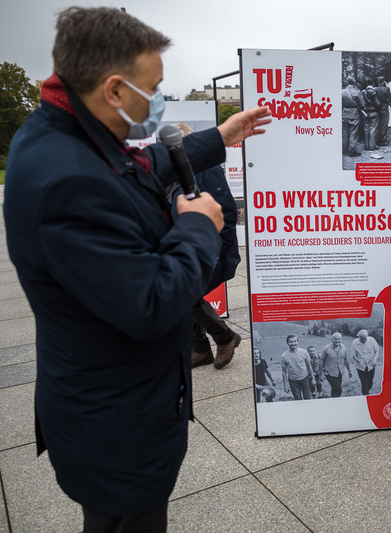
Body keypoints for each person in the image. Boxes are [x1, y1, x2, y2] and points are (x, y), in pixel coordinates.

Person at [2, 7, 271, 531]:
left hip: (117, 408)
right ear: (114, 90)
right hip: (115, 428)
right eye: (154, 88)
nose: (159, 100)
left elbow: (136, 168)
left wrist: (219, 136)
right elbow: (150, 304)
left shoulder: (67, 134)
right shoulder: (66, 182)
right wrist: (199, 227)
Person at [167, 124, 241, 370]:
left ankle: (224, 338)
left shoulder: (205, 169)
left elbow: (226, 213)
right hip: (183, 246)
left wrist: (211, 249)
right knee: (183, 296)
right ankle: (200, 349)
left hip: (207, 248)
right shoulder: (175, 172)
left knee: (184, 296)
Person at [280, 334, 316, 400]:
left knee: (308, 398)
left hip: (305, 379)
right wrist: (285, 385)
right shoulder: (284, 356)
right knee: (298, 399)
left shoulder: (304, 352)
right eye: (291, 342)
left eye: (295, 341)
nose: (293, 343)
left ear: (297, 342)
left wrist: (313, 378)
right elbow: (284, 372)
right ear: (287, 343)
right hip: (293, 381)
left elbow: (309, 366)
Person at [319, 332, 352, 398]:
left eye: (339, 339)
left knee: (335, 389)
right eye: (335, 339)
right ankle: (336, 401)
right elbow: (321, 360)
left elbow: (346, 359)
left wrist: (349, 370)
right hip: (329, 373)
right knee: (338, 388)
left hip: (340, 372)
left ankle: (333, 402)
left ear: (341, 340)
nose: (337, 341)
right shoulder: (326, 348)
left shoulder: (343, 347)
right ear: (332, 340)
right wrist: (320, 374)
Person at [351, 329, 381, 396]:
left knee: (370, 383)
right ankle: (365, 396)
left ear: (367, 336)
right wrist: (359, 361)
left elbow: (377, 350)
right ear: (358, 337)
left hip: (371, 365)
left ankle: (364, 391)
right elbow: (353, 355)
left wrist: (375, 359)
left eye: (364, 338)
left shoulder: (372, 340)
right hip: (360, 366)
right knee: (364, 383)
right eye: (361, 339)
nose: (363, 340)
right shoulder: (354, 343)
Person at [341, 76, 363, 157]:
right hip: (354, 114)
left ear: (347, 82)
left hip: (344, 114)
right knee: (353, 133)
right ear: (354, 83)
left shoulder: (342, 92)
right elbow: (362, 104)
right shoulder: (357, 92)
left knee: (345, 133)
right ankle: (352, 151)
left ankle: (344, 150)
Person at [357, 83, 380, 152]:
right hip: (374, 112)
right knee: (372, 129)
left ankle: (366, 145)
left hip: (366, 113)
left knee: (366, 128)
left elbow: (361, 104)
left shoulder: (363, 93)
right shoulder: (374, 94)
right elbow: (378, 104)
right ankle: (372, 146)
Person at [375, 76, 391, 147]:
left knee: (377, 124)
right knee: (384, 125)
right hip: (384, 108)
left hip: (377, 108)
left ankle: (376, 140)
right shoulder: (386, 89)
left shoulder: (375, 89)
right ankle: (382, 140)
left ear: (377, 81)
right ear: (384, 81)